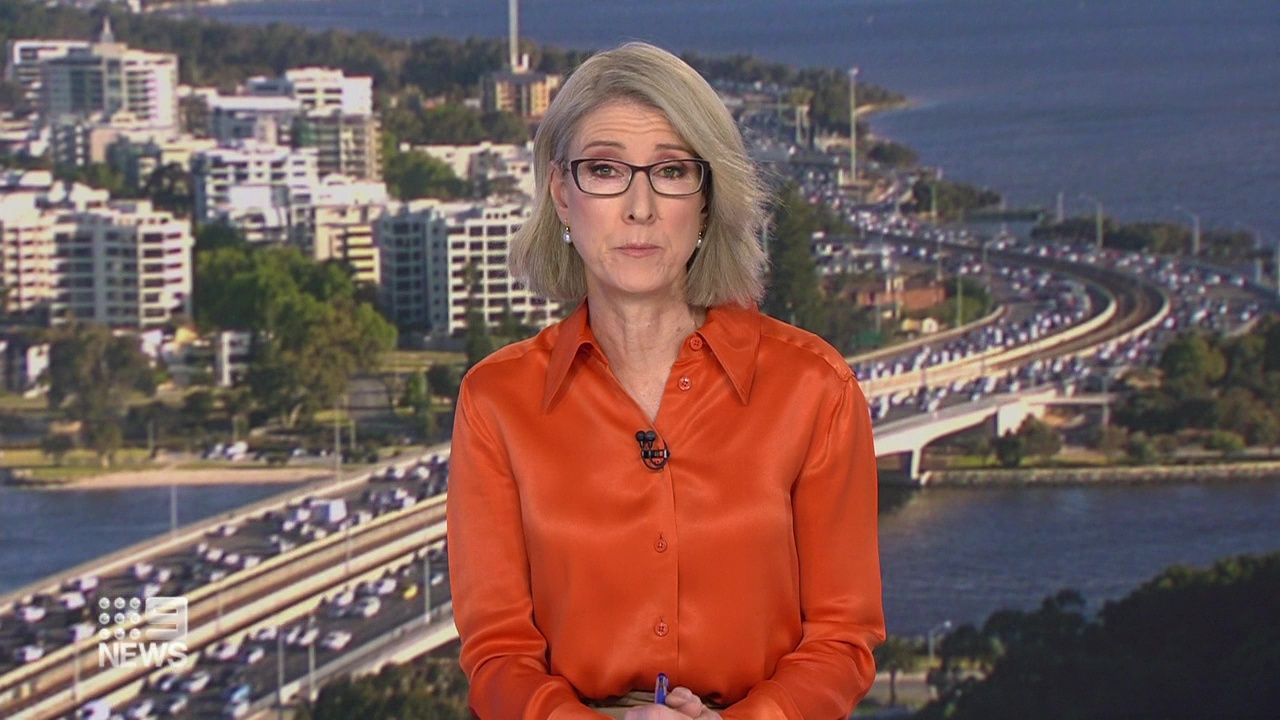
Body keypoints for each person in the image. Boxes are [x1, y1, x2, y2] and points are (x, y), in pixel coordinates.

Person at [446, 42, 885, 719]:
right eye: (604, 170)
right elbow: (497, 653)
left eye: (672, 171)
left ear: (706, 200)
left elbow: (842, 637)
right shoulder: (496, 401)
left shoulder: (814, 389)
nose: (640, 207)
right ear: (561, 193)